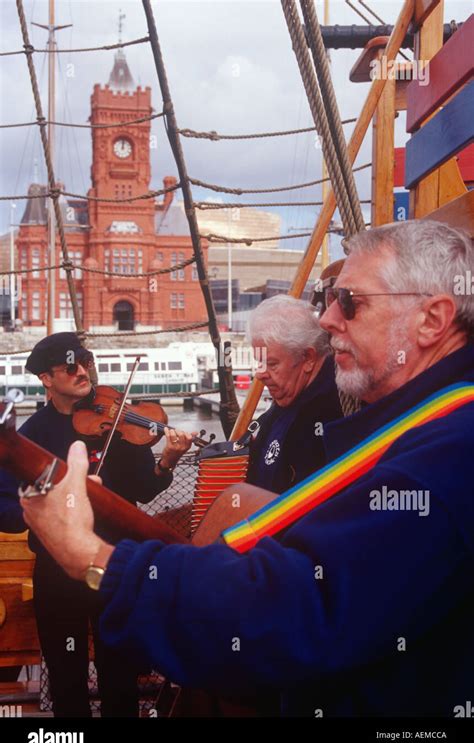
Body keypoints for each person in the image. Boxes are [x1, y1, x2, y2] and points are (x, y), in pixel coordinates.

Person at [21, 221, 474, 717]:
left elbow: (290, 607)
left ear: (432, 320)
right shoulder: (428, 431)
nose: (326, 320)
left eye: (349, 301)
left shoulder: (441, 459)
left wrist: (89, 555)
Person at [0, 332, 194, 717]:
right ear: (46, 379)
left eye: (85, 362)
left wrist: (168, 459)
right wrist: (42, 507)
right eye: (70, 366)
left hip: (116, 562)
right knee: (66, 673)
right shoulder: (32, 434)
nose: (82, 371)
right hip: (58, 569)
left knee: (119, 670)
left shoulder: (117, 421)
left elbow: (145, 486)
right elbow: (5, 506)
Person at [246, 295, 343, 493]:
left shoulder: (336, 412)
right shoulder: (288, 397)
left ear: (308, 357)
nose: (260, 374)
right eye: (260, 362)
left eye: (271, 364)